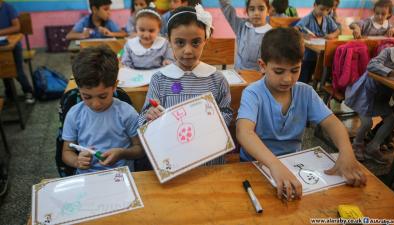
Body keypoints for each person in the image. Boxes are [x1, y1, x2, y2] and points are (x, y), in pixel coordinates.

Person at [236, 27, 366, 200]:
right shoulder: (253, 93)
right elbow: (244, 132)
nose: (287, 79)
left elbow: (333, 123)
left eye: (295, 70)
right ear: (262, 66)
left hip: (294, 164)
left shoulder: (306, 92)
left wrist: (346, 152)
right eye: (279, 71)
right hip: (255, 165)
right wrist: (274, 164)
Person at [138, 5, 233, 165]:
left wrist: (210, 121)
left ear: (205, 40)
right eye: (180, 42)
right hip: (174, 157)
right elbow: (143, 118)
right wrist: (150, 115)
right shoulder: (160, 79)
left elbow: (227, 113)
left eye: (196, 42)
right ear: (169, 42)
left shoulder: (217, 79)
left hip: (208, 156)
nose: (188, 51)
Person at [62, 46, 144, 174]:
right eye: (86, 96)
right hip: (86, 177)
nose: (95, 104)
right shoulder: (74, 114)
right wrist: (77, 161)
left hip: (121, 176)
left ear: (115, 86)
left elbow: (140, 149)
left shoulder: (127, 113)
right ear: (79, 89)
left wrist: (122, 153)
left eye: (102, 96)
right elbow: (67, 151)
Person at [219, 0, 272, 71]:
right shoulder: (242, 26)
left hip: (256, 78)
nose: (256, 13)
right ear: (247, 12)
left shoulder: (271, 35)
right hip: (238, 75)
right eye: (252, 9)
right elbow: (228, 11)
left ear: (268, 11)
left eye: (261, 9)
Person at [0, 0, 35, 103]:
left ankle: (28, 91)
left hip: (13, 45)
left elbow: (17, 27)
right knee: (3, 69)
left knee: (17, 71)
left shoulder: (8, 7)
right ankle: (9, 93)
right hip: (2, 47)